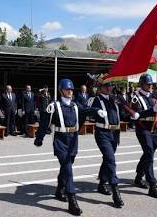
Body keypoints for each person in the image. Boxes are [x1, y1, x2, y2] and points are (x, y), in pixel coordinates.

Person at [34, 79, 101, 216]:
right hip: (60, 139)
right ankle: (72, 200)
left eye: (71, 89)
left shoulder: (76, 105)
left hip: (73, 139)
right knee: (68, 169)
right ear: (61, 91)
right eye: (66, 89)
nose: (70, 91)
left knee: (66, 166)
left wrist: (97, 111)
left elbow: (86, 110)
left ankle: (59, 189)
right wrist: (39, 138)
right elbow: (44, 122)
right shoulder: (54, 106)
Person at [89, 80, 128, 208]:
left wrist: (131, 114)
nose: (108, 88)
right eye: (106, 86)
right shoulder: (96, 99)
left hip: (115, 133)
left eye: (110, 86)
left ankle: (101, 183)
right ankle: (115, 190)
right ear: (100, 88)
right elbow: (89, 109)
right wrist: (96, 111)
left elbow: (123, 113)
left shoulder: (115, 99)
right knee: (111, 159)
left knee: (107, 159)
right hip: (102, 133)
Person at [130, 74, 157, 199]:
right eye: (148, 84)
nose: (150, 86)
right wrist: (152, 110)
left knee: (148, 154)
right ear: (142, 84)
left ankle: (138, 176)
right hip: (144, 129)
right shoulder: (136, 98)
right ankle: (152, 185)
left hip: (155, 129)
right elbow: (136, 114)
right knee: (149, 154)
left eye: (151, 84)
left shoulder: (153, 97)